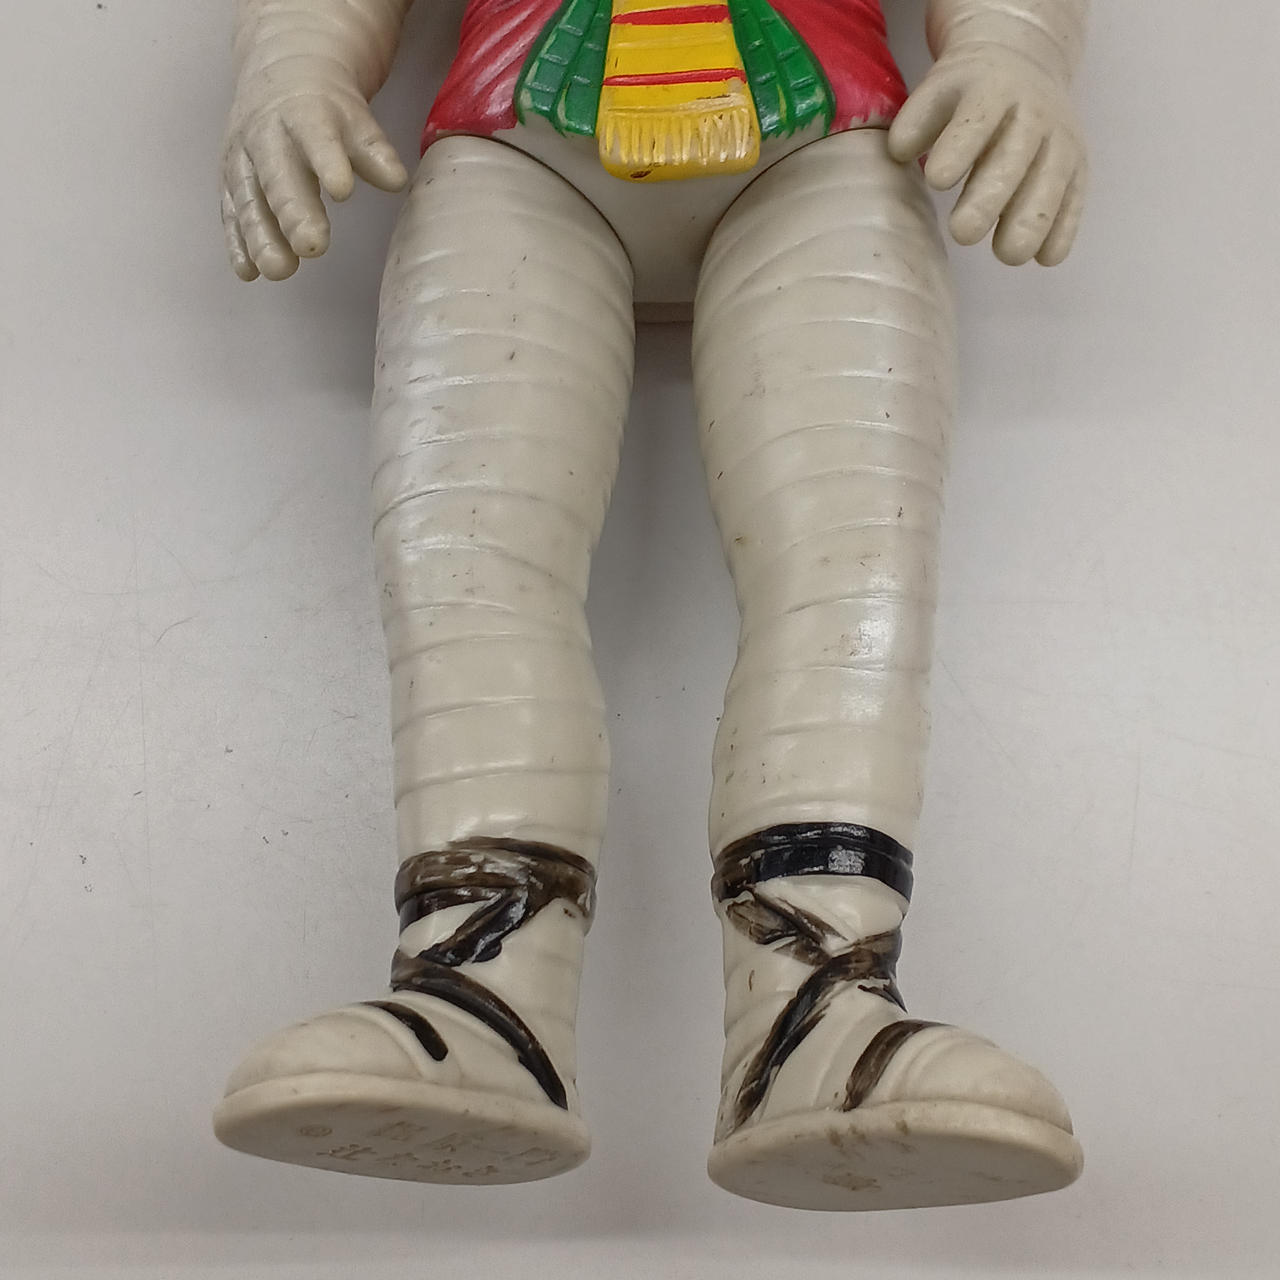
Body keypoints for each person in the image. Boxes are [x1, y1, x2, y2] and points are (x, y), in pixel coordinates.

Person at [214, 0, 1090, 1209]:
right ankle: (481, 984)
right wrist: (295, 57)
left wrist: (1011, 46)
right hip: (523, 140)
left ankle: (816, 1001)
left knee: (854, 556)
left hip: (817, 139)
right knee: (465, 543)